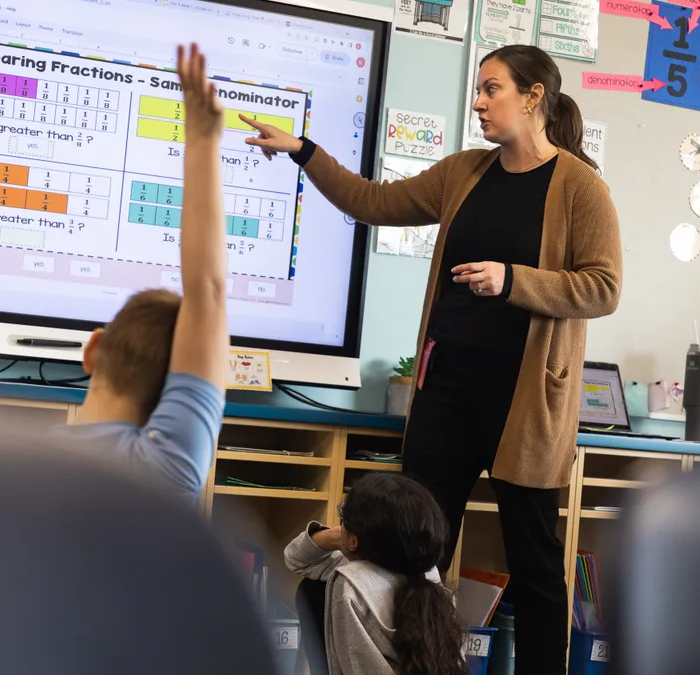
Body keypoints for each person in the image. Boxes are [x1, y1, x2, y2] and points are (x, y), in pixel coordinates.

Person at [244, 44, 621, 674]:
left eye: (490, 89)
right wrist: (304, 151)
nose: (477, 102)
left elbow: (602, 288)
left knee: (533, 565)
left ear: (533, 98)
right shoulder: (464, 173)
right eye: (477, 89)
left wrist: (513, 280)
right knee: (412, 555)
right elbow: (371, 202)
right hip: (446, 394)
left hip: (525, 405)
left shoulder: (581, 187)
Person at [51, 43, 227, 505]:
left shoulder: (11, 464)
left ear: (93, 349)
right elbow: (206, 290)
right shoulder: (166, 472)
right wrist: (203, 138)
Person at [285, 473, 467, 675]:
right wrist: (343, 536)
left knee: (310, 591)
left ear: (354, 540)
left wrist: (348, 537)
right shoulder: (426, 573)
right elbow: (297, 559)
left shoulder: (350, 580)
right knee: (312, 588)